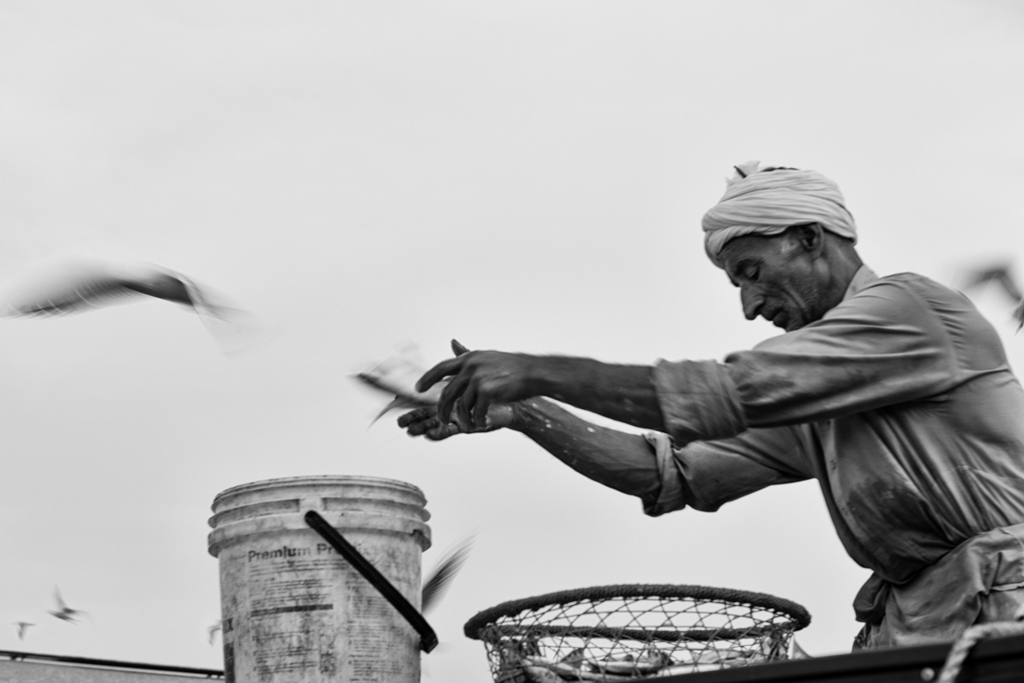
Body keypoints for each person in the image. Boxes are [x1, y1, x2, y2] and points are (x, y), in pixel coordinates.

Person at [398, 161, 1024, 650]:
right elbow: (671, 474)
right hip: (927, 626)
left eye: (753, 271)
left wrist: (536, 369)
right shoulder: (818, 395)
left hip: (1006, 611)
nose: (751, 306)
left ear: (810, 238)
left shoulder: (911, 312)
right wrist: (526, 408)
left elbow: (726, 393)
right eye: (738, 284)